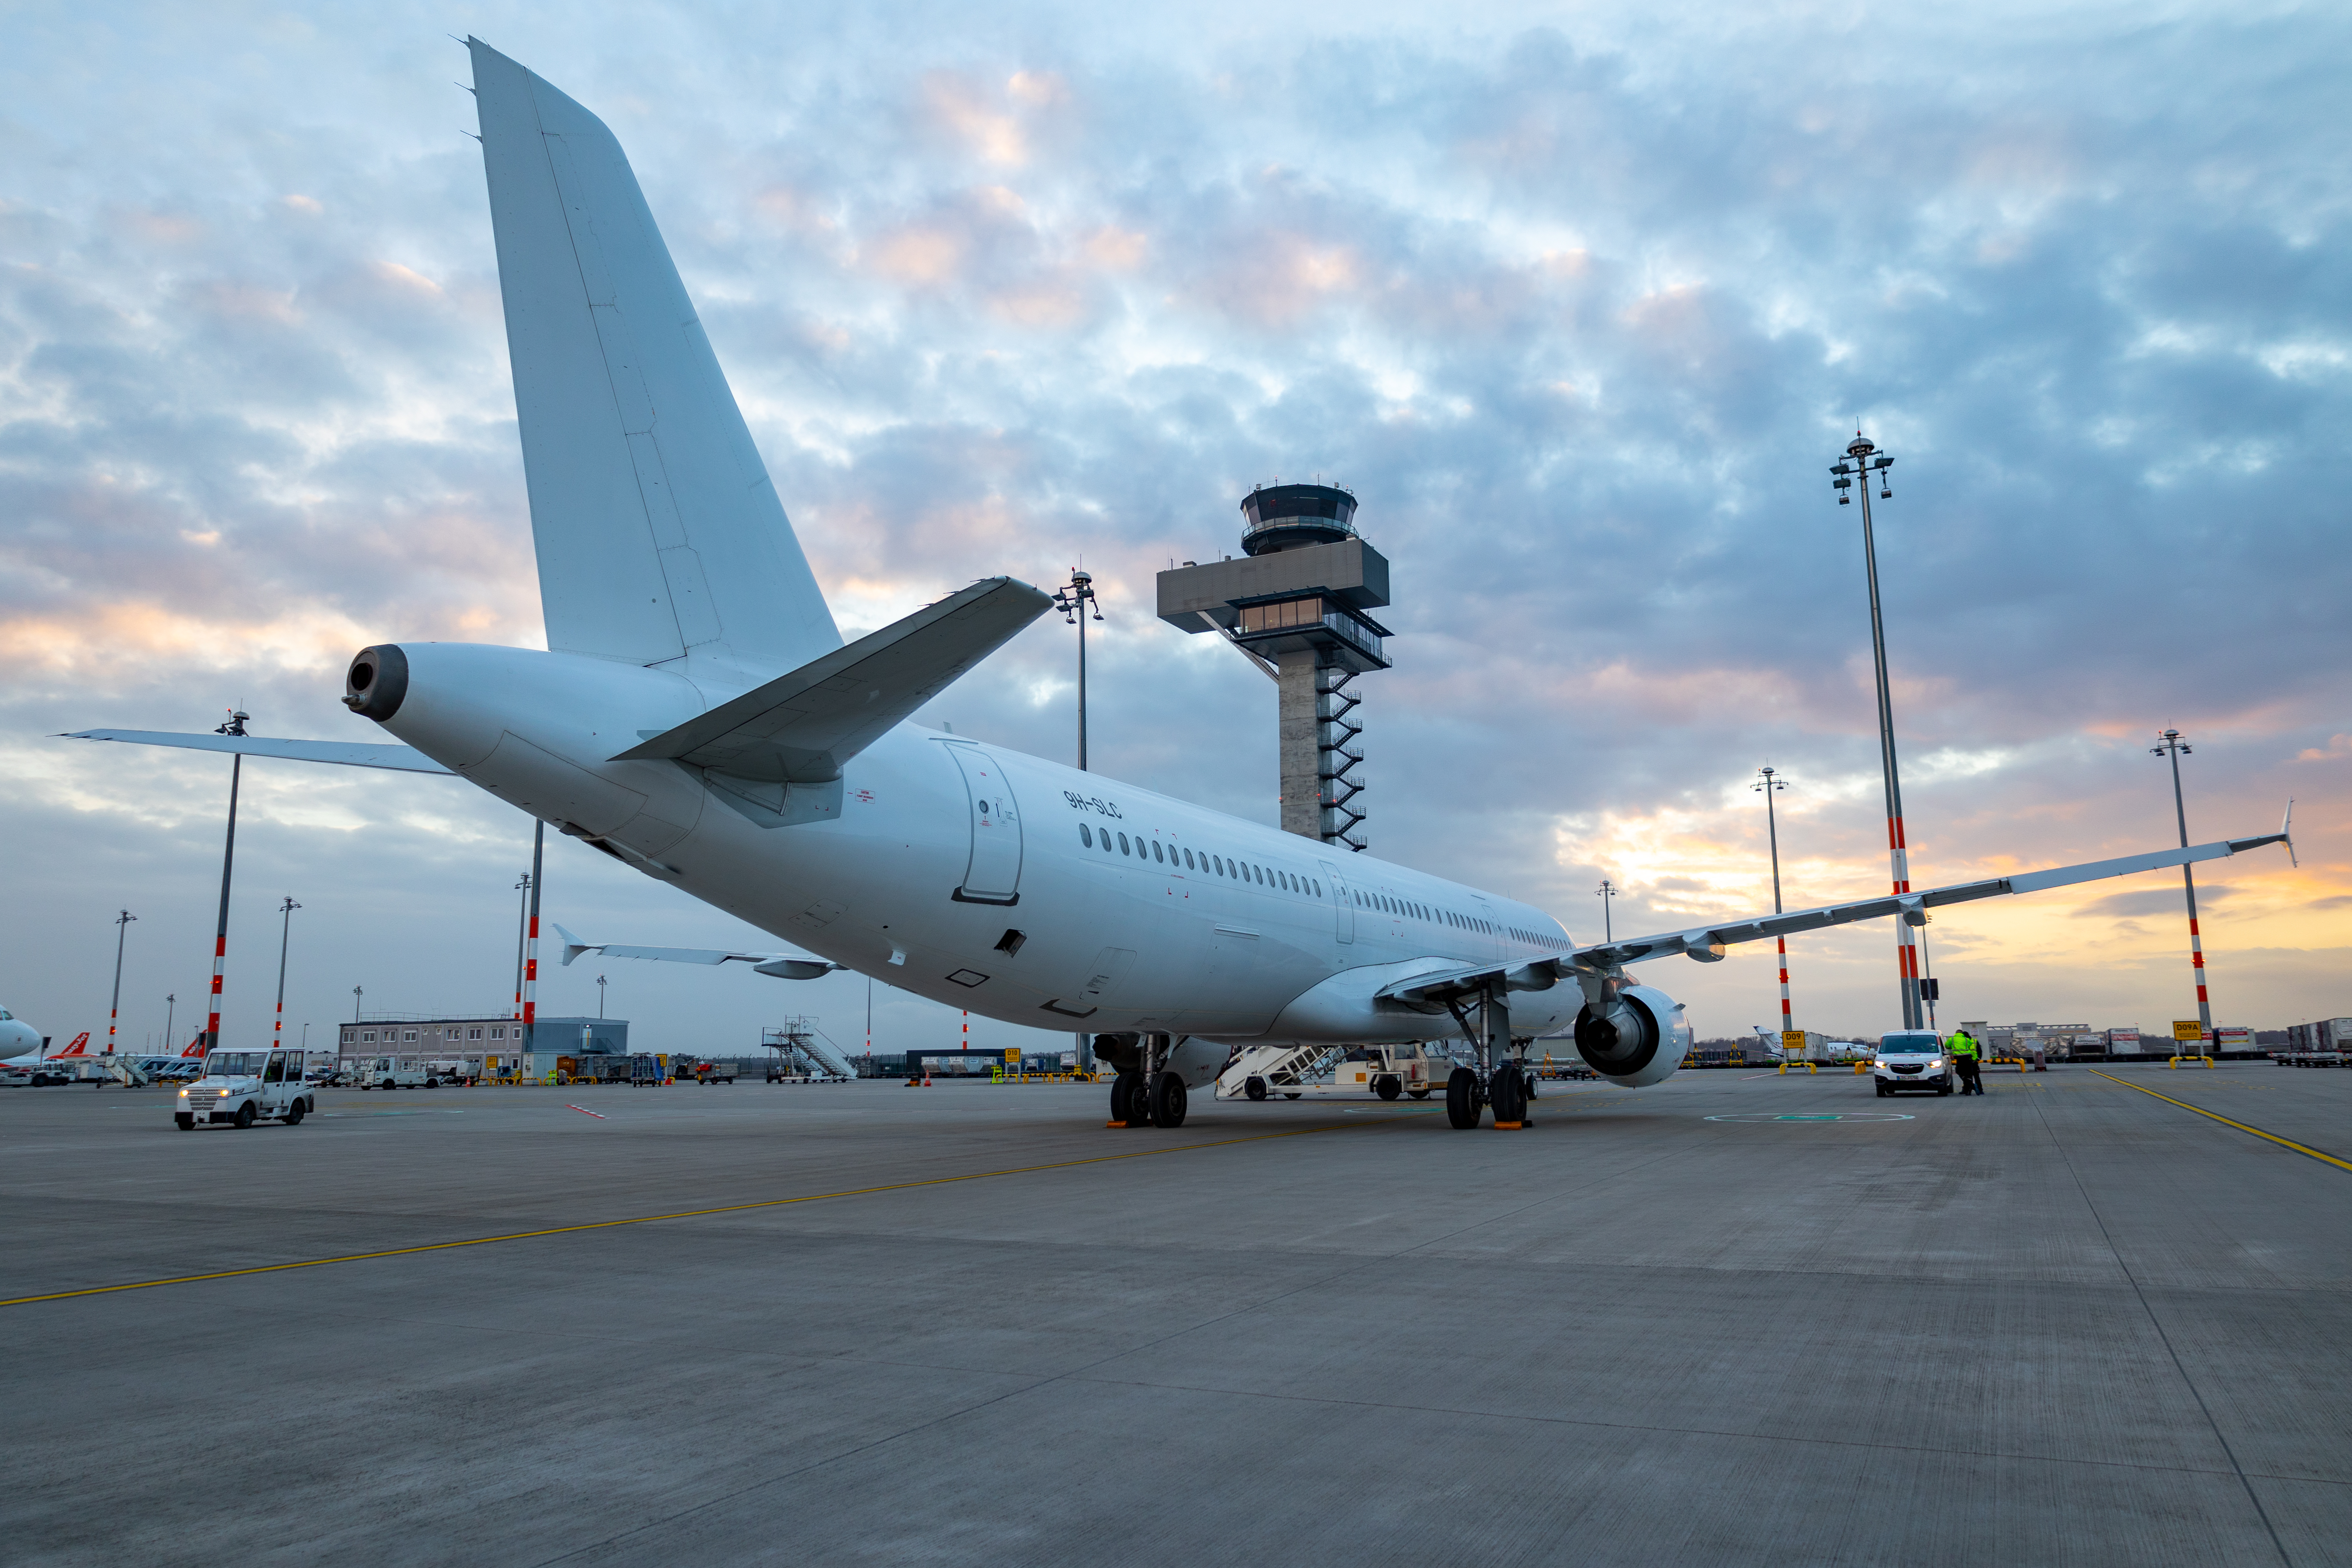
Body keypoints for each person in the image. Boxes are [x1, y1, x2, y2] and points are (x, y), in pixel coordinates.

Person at [1949, 1028, 1984, 1095]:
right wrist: (1978, 1060)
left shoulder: (1968, 1041)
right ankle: (1977, 1090)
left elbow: (1979, 1051)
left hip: (1968, 1061)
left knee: (1967, 1077)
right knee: (1975, 1076)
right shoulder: (1973, 1041)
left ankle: (1968, 1090)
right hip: (1973, 1062)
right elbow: (1980, 1052)